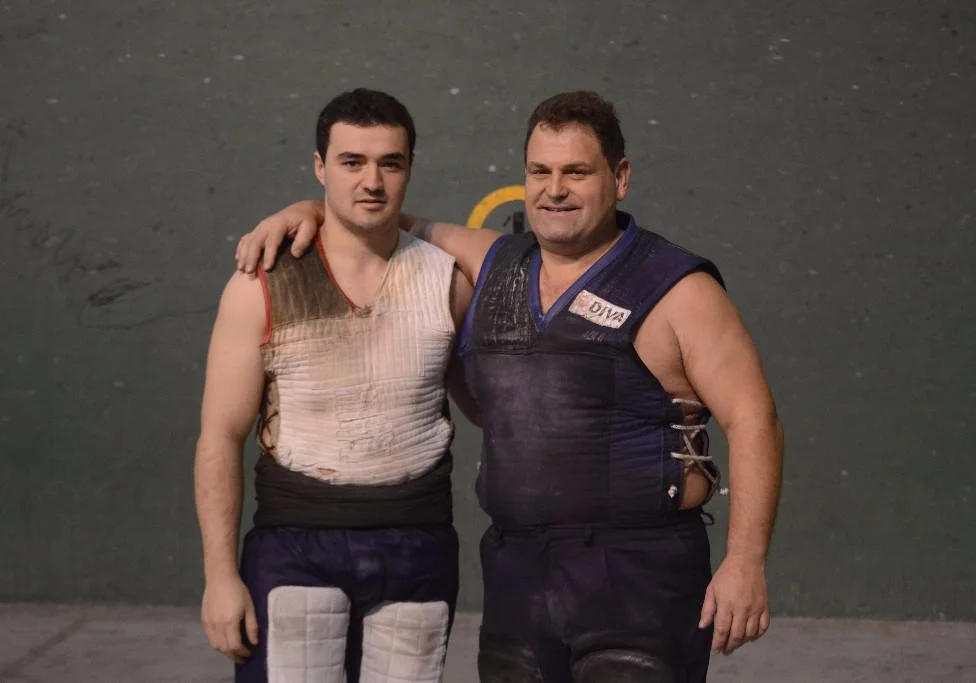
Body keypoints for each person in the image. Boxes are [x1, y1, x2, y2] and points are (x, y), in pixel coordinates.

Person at [236, 91, 784, 683]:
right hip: (518, 573)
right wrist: (309, 209)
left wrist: (746, 561)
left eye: (576, 172)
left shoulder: (679, 289)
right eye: (540, 172)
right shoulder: (496, 262)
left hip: (640, 572)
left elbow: (755, 420)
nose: (555, 190)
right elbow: (388, 221)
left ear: (620, 177)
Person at [194, 88, 474, 683]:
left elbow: (489, 407)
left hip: (419, 546)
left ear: (409, 168)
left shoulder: (449, 282)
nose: (371, 181)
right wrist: (220, 576)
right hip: (295, 548)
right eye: (352, 162)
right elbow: (220, 436)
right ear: (320, 167)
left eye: (389, 163)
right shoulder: (261, 283)